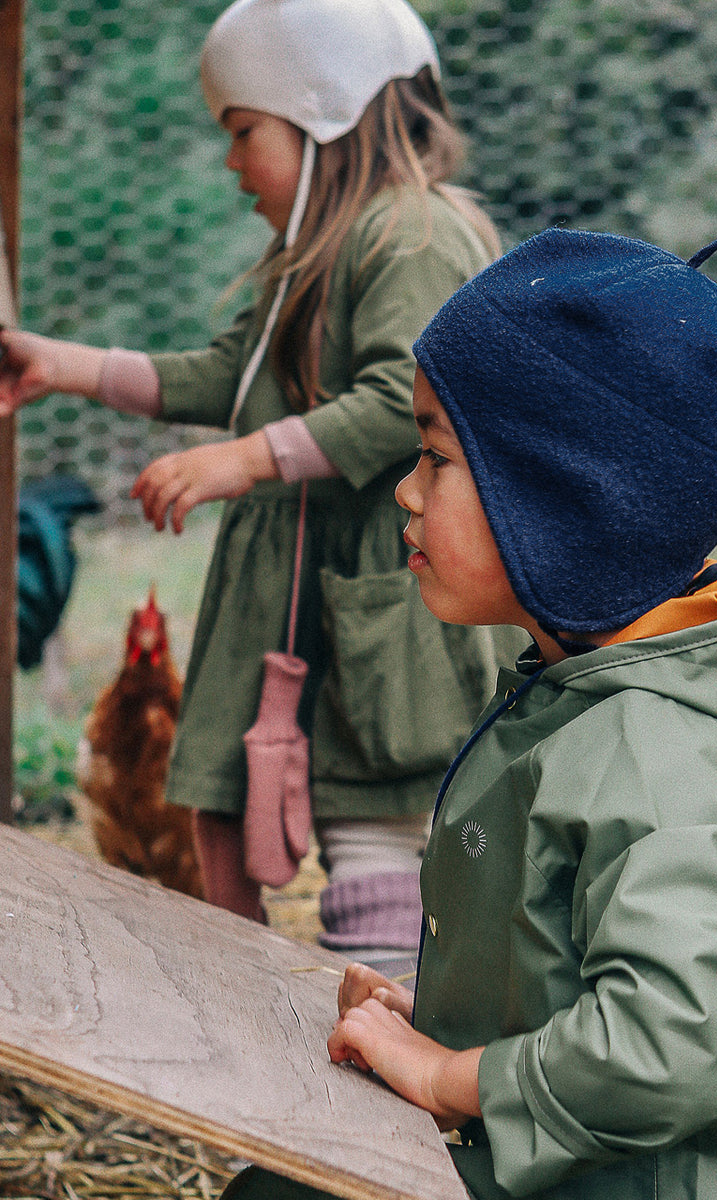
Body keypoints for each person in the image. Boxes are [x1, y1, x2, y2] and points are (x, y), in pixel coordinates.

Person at [226, 227, 717, 1200]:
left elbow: (672, 1044)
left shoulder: (667, 756)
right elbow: (580, 977)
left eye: (437, 458)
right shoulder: (587, 696)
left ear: (560, 501)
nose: (406, 493)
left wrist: (451, 1079)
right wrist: (440, 1025)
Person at [0, 0, 524, 967]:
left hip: (386, 591)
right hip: (297, 592)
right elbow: (226, 379)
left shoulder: (409, 233)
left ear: (322, 114)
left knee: (380, 824)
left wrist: (245, 459)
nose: (232, 162)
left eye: (245, 133)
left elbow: (399, 395)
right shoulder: (308, 258)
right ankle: (265, 1028)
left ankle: (388, 1034)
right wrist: (64, 365)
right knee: (224, 817)